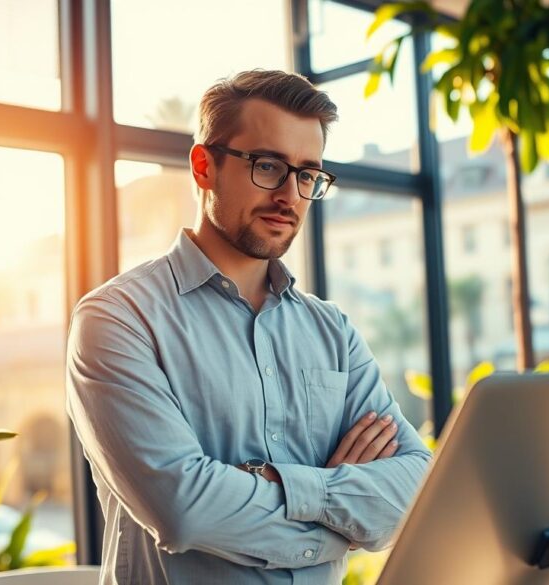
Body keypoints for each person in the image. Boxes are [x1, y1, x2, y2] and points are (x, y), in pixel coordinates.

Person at [66, 69, 431, 585]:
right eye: (267, 166)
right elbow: (184, 511)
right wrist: (338, 515)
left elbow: (416, 491)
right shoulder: (119, 319)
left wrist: (272, 483)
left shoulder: (333, 331)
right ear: (203, 166)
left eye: (308, 175)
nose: (290, 194)